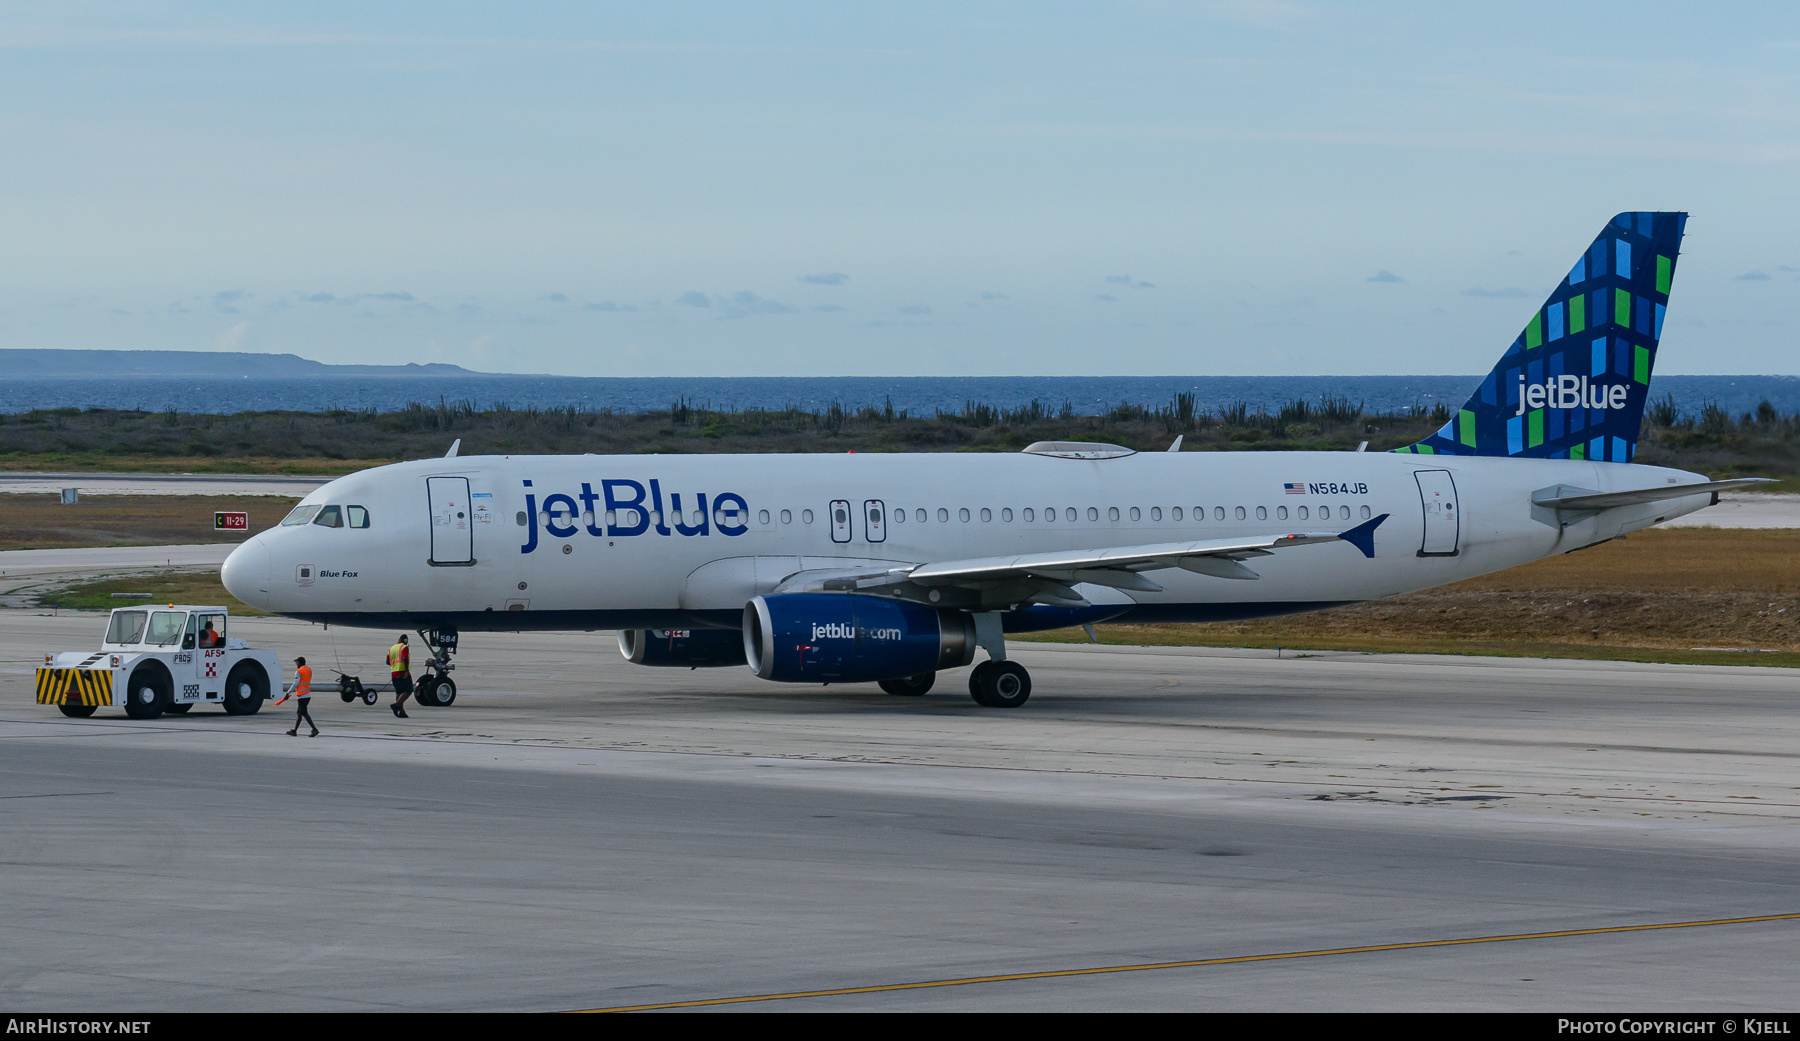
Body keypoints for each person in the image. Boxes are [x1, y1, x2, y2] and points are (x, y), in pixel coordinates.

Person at [276, 656, 317, 737]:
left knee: (304, 713)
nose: (296, 664)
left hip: (302, 696)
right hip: (307, 694)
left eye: (297, 662)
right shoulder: (309, 670)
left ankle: (314, 729)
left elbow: (295, 684)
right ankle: (294, 731)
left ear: (300, 663)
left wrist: (288, 693)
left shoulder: (298, 671)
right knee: (299, 713)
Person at [387, 634, 412, 718]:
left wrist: (394, 665)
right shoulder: (404, 647)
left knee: (399, 692)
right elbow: (405, 658)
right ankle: (396, 705)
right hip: (402, 672)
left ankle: (401, 712)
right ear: (405, 640)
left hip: (394, 673)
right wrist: (406, 671)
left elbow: (387, 661)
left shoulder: (392, 648)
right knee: (408, 690)